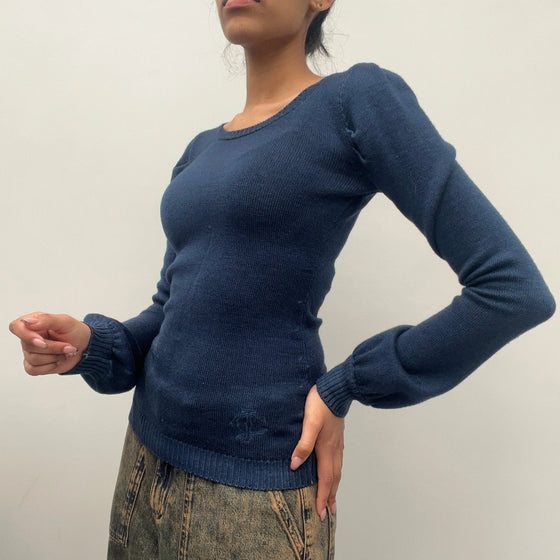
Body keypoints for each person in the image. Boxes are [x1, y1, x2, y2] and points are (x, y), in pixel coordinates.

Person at [8, 1, 555, 559]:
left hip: (252, 499)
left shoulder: (355, 100)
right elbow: (171, 309)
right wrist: (89, 345)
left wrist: (347, 385)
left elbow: (512, 291)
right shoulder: (199, 152)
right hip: (143, 465)